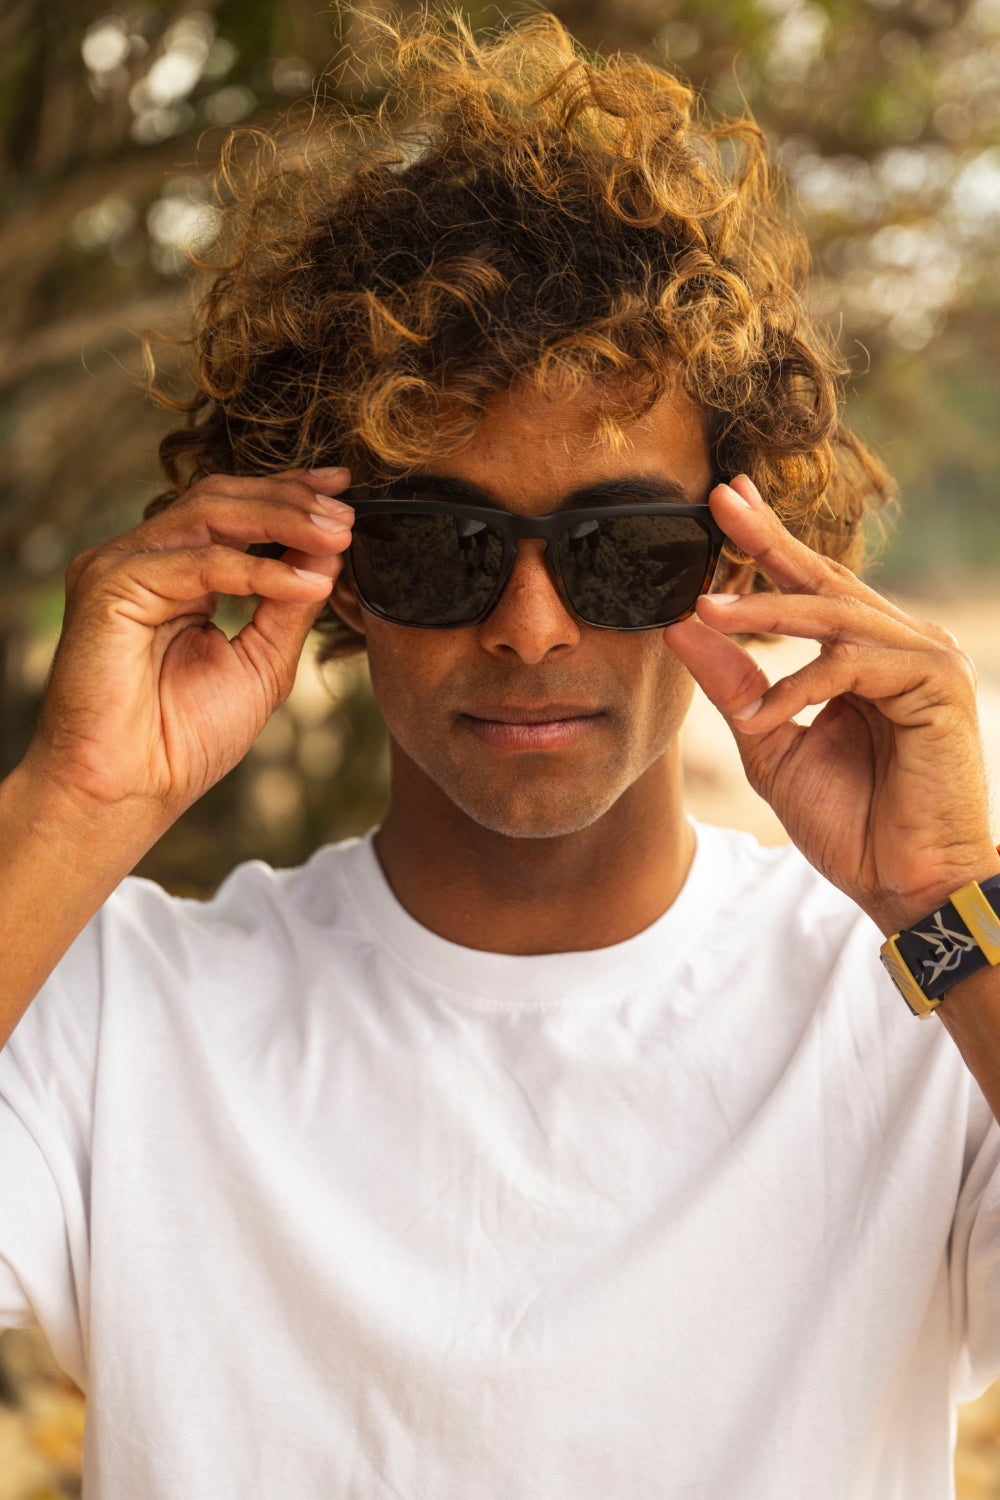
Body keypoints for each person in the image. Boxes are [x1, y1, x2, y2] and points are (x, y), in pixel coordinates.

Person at [2, 12, 999, 1498]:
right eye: (440, 547)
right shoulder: (119, 1015)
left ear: (734, 561)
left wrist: (949, 896)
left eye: (619, 550)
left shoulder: (919, 1021)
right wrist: (72, 808)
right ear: (328, 569)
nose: (530, 628)